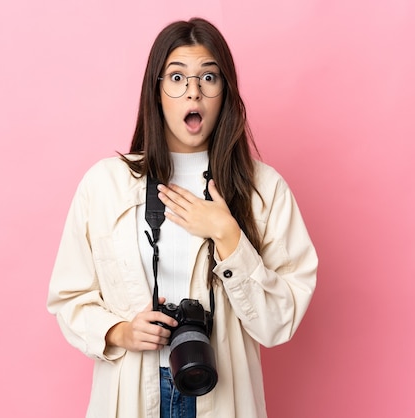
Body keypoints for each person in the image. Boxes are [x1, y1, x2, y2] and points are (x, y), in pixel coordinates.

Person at [47, 17, 318, 418]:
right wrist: (119, 331)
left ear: (224, 91)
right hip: (132, 392)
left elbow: (279, 322)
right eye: (176, 77)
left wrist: (228, 236)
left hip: (223, 394)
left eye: (209, 77)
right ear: (156, 91)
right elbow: (69, 296)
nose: (193, 91)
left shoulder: (264, 189)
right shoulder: (104, 185)